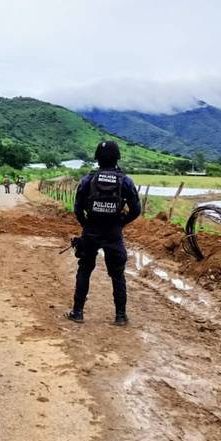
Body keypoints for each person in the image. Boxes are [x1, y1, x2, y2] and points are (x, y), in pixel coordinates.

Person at [66, 140, 141, 326]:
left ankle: (77, 312)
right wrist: (120, 223)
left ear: (97, 158)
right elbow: (136, 210)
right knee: (117, 274)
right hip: (113, 232)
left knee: (84, 269)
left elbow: (77, 209)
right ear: (117, 158)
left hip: (91, 230)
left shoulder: (88, 179)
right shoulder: (125, 181)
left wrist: (87, 225)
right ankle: (121, 316)